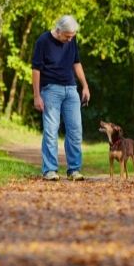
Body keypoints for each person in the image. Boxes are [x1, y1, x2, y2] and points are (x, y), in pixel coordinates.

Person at [32, 15, 90, 181]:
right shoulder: (43, 41)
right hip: (50, 90)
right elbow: (36, 70)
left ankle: (74, 170)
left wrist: (85, 85)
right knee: (51, 131)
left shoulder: (72, 40)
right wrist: (37, 96)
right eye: (68, 36)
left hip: (71, 89)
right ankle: (50, 170)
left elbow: (76, 63)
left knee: (75, 130)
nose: (70, 39)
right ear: (58, 31)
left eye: (72, 36)